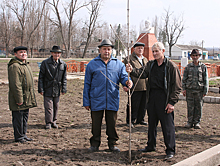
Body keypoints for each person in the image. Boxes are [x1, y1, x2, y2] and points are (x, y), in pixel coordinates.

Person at [126, 42, 181, 160]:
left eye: (157, 51)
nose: (155, 53)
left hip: (165, 99)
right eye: (153, 51)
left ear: (163, 51)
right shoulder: (151, 65)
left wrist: (172, 102)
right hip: (151, 98)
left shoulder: (171, 66)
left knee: (167, 127)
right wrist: (131, 70)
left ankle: (170, 150)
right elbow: (141, 73)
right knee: (151, 125)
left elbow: (177, 87)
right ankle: (151, 145)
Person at [83, 39, 133, 153]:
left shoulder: (118, 64)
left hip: (112, 98)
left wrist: (127, 82)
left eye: (109, 49)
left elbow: (124, 78)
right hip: (96, 99)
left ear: (112, 51)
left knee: (112, 124)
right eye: (104, 49)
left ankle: (112, 143)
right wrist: (86, 101)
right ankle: (95, 143)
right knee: (96, 124)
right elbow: (87, 84)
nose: (106, 51)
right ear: (100, 50)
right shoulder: (92, 64)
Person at [8, 46, 37, 143]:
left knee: (24, 117)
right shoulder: (15, 66)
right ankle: (19, 136)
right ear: (15, 54)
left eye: (25, 52)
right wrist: (19, 99)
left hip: (27, 97)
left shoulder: (25, 65)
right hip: (20, 98)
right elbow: (15, 84)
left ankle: (23, 134)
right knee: (18, 118)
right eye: (21, 52)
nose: (23, 54)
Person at [38, 45, 67, 129]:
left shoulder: (63, 64)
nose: (56, 55)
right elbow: (41, 77)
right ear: (51, 53)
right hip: (47, 87)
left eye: (58, 53)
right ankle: (48, 122)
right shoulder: (45, 63)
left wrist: (64, 88)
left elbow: (64, 78)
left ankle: (54, 121)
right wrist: (41, 88)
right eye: (55, 53)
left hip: (57, 88)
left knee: (56, 106)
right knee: (48, 106)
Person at [123, 42, 148, 128]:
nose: (140, 49)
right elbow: (125, 72)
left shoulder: (145, 59)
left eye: (142, 48)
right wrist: (126, 84)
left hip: (145, 86)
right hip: (135, 86)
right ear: (134, 49)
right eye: (138, 48)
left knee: (143, 105)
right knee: (133, 104)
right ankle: (131, 120)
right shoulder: (129, 59)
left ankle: (140, 119)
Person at [182, 49, 208, 129]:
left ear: (199, 56)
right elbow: (184, 79)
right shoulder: (188, 67)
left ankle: (197, 122)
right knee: (190, 107)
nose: (195, 57)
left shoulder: (203, 67)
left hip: (199, 90)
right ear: (191, 57)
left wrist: (205, 90)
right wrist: (184, 89)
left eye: (196, 55)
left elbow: (205, 79)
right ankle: (190, 122)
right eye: (193, 55)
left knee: (198, 107)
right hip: (190, 90)